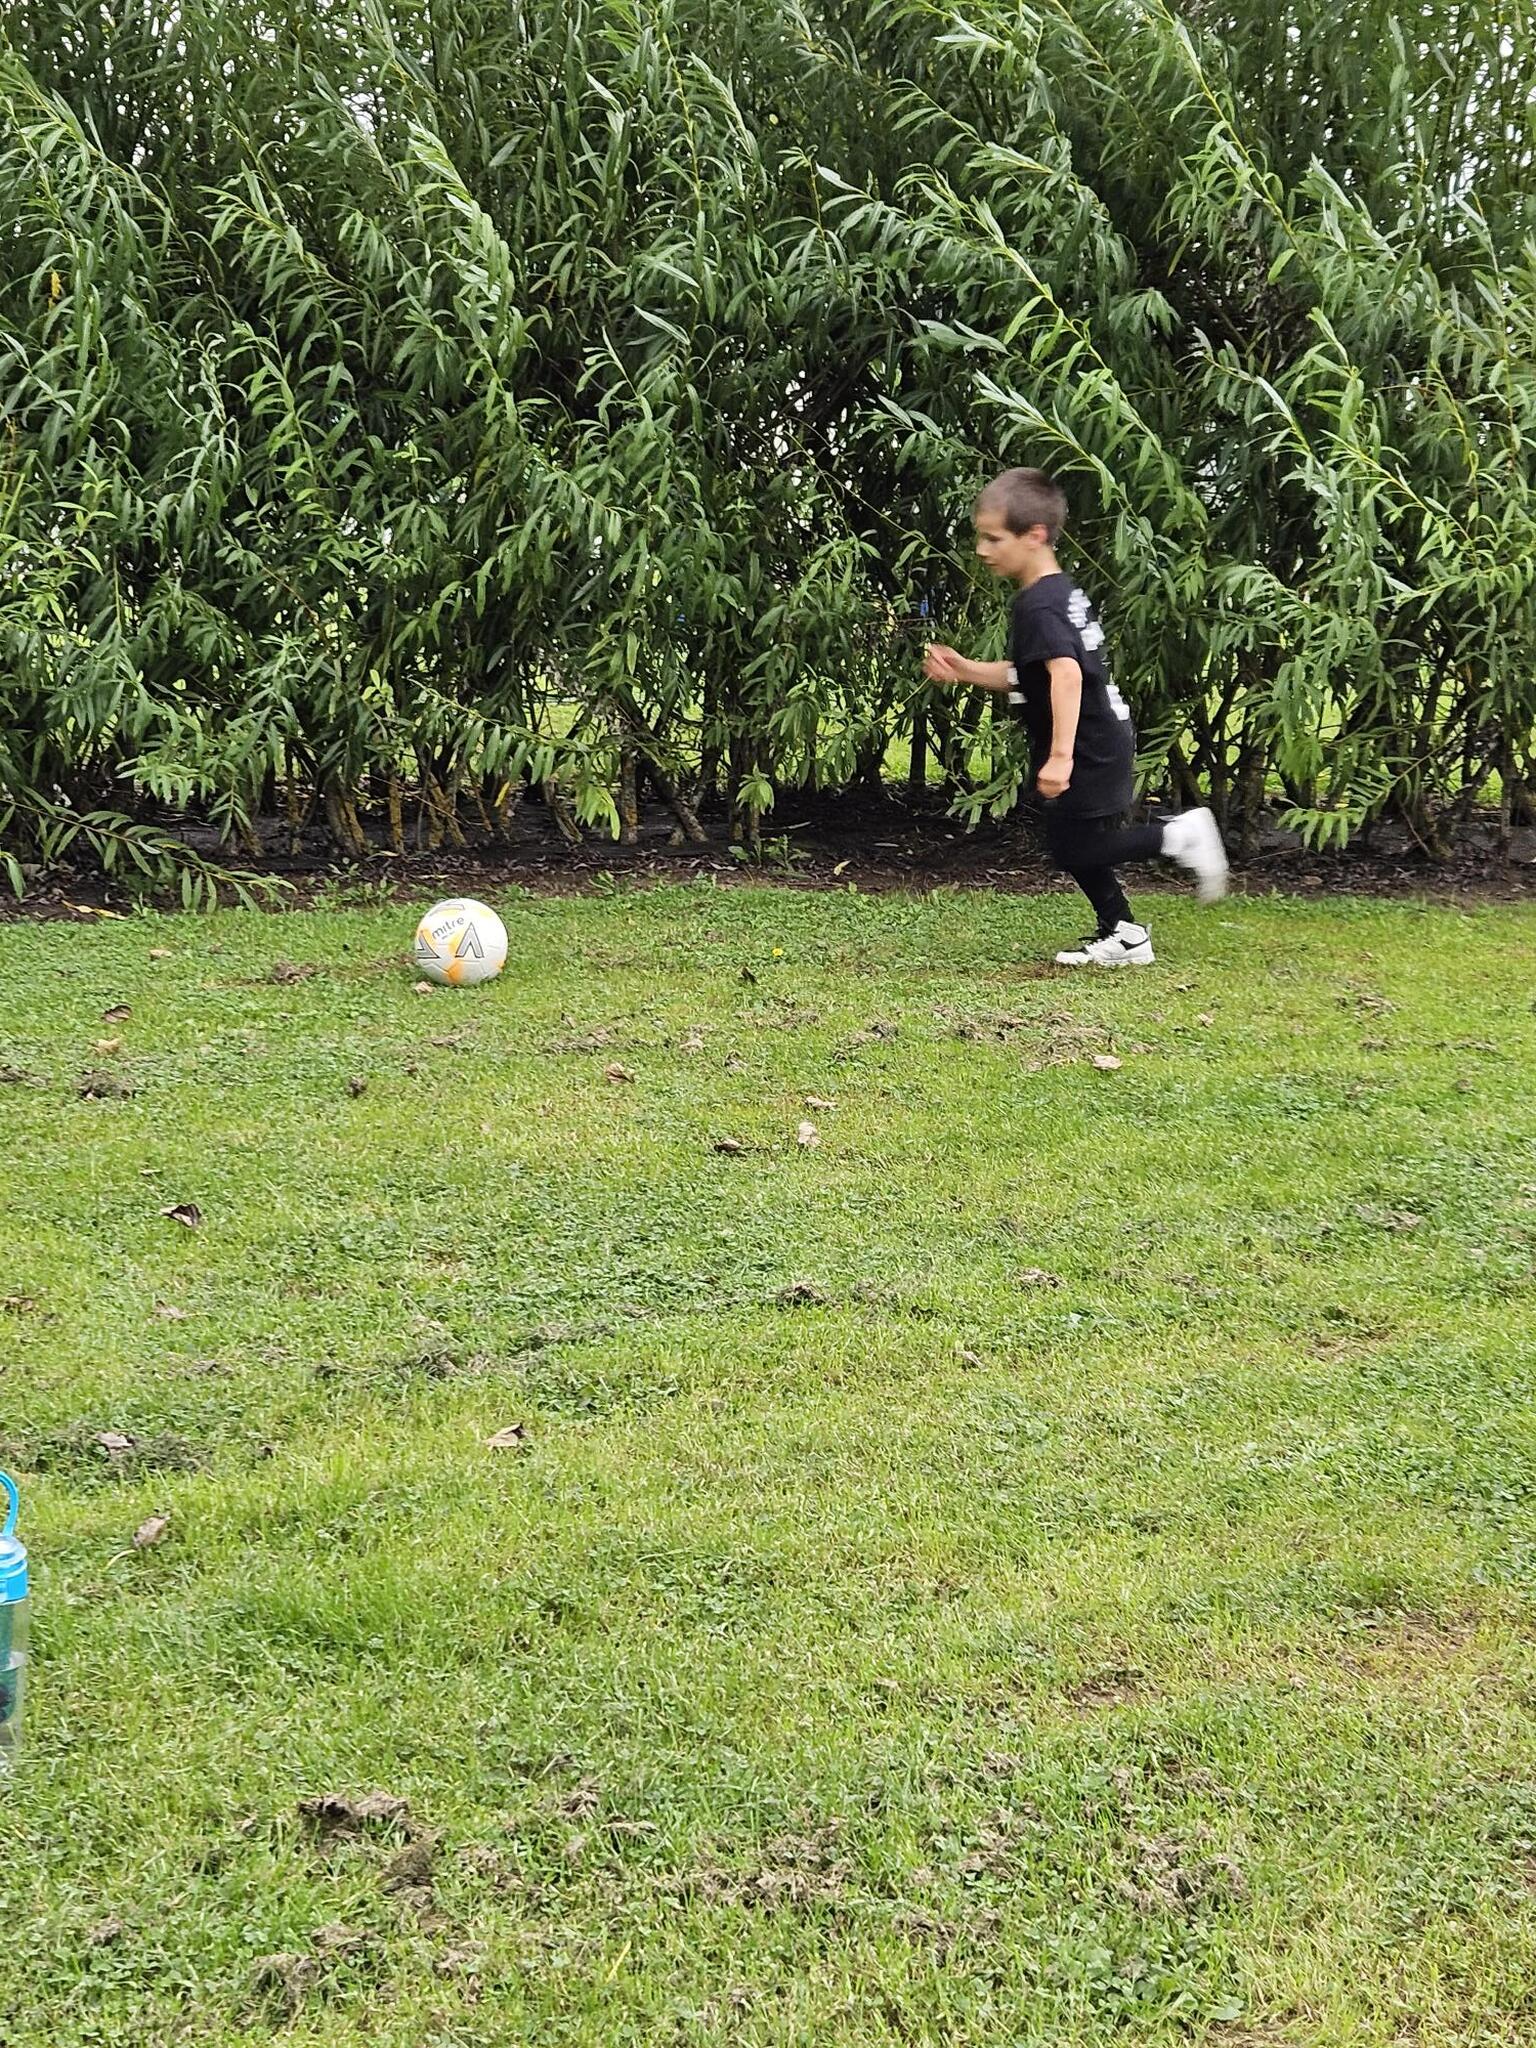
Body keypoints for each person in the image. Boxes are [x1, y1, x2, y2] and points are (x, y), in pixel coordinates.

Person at [923, 467, 1227, 965]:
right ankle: (1125, 933)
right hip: (1097, 736)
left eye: (993, 538)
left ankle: (1178, 835)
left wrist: (1061, 756)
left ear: (1034, 535)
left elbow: (1065, 674)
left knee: (1077, 848)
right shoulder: (1057, 593)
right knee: (1071, 840)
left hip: (1086, 744)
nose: (982, 550)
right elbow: (1033, 674)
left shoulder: (1038, 606)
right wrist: (965, 670)